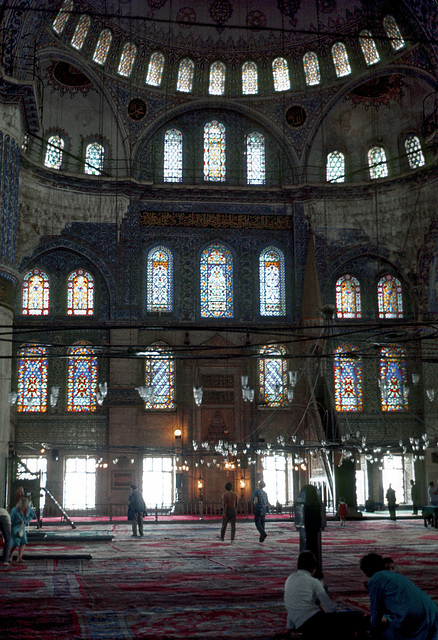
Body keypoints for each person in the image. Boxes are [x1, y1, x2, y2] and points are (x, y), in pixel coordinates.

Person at [284, 550, 367, 639]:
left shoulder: (290, 578)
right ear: (313, 568)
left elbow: (291, 605)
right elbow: (330, 608)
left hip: (300, 626)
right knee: (357, 616)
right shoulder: (314, 582)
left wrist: (288, 629)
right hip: (314, 622)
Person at [360, 552, 438, 640]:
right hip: (432, 613)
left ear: (366, 571)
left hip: (412, 617)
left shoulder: (376, 579)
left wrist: (372, 632)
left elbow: (376, 612)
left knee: (385, 633)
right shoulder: (396, 576)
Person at [9, 497, 35, 563]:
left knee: (23, 542)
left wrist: (26, 520)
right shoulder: (14, 510)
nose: (24, 508)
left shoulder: (28, 509)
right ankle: (10, 556)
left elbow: (32, 515)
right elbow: (10, 520)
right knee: (16, 542)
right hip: (15, 527)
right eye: (23, 506)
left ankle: (19, 557)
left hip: (23, 526)